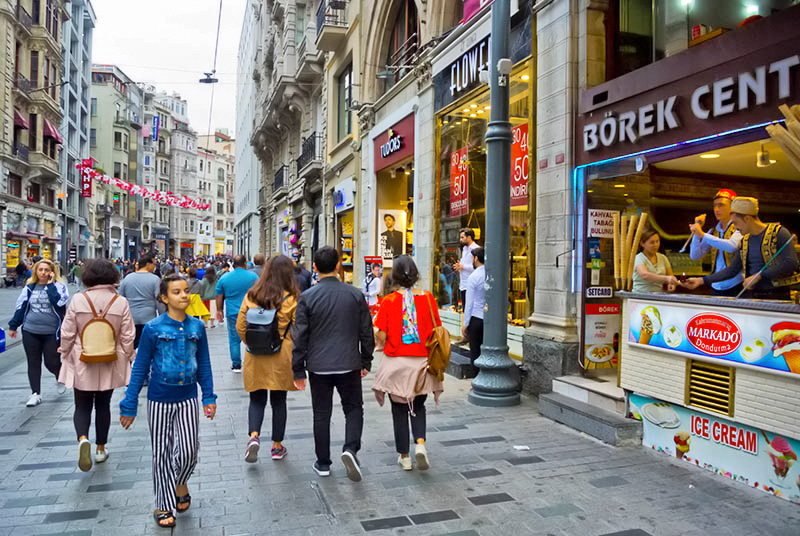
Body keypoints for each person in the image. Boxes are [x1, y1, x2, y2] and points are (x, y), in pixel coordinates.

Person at [119, 274, 217, 529]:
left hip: (188, 399)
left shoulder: (196, 327)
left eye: (185, 291)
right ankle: (163, 503)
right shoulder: (153, 328)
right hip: (159, 400)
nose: (184, 295)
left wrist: (208, 395)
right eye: (177, 292)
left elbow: (204, 363)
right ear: (164, 298)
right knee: (161, 454)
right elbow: (139, 368)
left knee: (189, 452)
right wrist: (129, 403)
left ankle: (181, 482)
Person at [292, 246, 374, 481]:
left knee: (321, 413)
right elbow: (366, 331)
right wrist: (366, 359)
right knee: (354, 408)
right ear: (339, 265)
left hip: (318, 365)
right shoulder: (354, 294)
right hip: (349, 362)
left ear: (315, 268)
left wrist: (298, 369)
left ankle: (323, 462)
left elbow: (300, 336)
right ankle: (350, 448)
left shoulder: (307, 297)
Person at [58, 259, 135, 472]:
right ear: (113, 276)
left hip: (83, 358)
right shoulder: (120, 302)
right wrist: (127, 354)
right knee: (103, 404)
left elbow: (67, 331)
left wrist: (64, 351)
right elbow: (128, 335)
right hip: (110, 359)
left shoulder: (78, 300)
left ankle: (83, 438)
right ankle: (101, 448)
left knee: (82, 404)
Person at [372, 255, 443, 472]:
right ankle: (420, 444)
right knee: (418, 406)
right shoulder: (428, 298)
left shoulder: (389, 301)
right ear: (415, 274)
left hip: (397, 364)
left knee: (399, 410)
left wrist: (376, 331)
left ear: (394, 276)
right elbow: (436, 329)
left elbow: (381, 336)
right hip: (422, 363)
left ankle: (404, 456)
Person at [237, 255, 299, 463]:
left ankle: (254, 437)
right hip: (280, 354)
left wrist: (250, 343)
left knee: (256, 399)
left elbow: (240, 326)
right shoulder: (290, 298)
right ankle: (276, 446)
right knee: (279, 401)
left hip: (255, 355)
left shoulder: (252, 295)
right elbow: (298, 328)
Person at [685, 197, 800, 300]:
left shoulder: (779, 232)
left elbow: (790, 263)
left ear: (747, 219)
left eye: (735, 223)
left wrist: (759, 276)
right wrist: (701, 281)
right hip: (753, 296)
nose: (734, 228)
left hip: (778, 295)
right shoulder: (745, 240)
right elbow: (732, 270)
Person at [8, 258, 70, 407]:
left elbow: (59, 304)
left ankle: (59, 376)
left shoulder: (59, 287)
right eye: (40, 269)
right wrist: (13, 325)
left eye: (46, 270)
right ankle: (35, 393)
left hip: (51, 332)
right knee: (33, 362)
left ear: (52, 273)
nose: (43, 272)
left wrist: (50, 285)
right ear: (35, 271)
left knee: (52, 362)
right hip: (30, 330)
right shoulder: (29, 288)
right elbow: (21, 307)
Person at [688, 189, 744, 296]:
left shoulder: (739, 227)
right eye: (715, 206)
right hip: (716, 284)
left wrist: (702, 234)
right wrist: (696, 232)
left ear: (733, 207)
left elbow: (731, 246)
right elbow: (695, 255)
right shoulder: (714, 230)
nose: (716, 209)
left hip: (736, 284)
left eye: (721, 205)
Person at [216, 254, 259, 372]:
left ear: (233, 264)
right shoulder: (253, 277)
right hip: (251, 311)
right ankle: (253, 361)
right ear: (245, 263)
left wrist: (219, 310)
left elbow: (219, 295)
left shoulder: (224, 278)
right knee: (252, 336)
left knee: (234, 338)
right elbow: (259, 292)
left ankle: (236, 364)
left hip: (233, 312)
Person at [119, 255, 162, 349]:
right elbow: (159, 300)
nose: (155, 266)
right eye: (154, 264)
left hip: (131, 316)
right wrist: (163, 316)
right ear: (148, 264)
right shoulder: (155, 279)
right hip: (148, 317)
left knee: (132, 344)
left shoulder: (127, 278)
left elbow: (121, 297)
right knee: (147, 346)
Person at [462, 247, 485, 363]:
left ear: (476, 258)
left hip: (476, 318)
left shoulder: (473, 277)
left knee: (475, 351)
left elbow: (469, 303)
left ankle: (476, 375)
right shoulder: (492, 275)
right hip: (490, 320)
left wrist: (465, 323)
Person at [453, 228, 479, 312]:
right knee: (465, 310)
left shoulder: (476, 249)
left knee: (471, 310)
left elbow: (478, 267)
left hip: (472, 285)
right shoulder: (464, 249)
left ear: (469, 237)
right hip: (463, 284)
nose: (460, 240)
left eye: (462, 237)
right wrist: (459, 266)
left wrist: (463, 266)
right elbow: (464, 264)